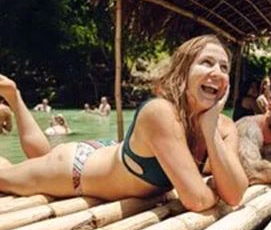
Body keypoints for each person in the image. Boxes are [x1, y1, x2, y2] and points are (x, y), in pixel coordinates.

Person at [0, 35, 248, 212]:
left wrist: (210, 129)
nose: (217, 72)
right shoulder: (160, 112)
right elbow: (198, 200)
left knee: (37, 158)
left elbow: (235, 194)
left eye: (224, 67)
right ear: (182, 72)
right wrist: (216, 188)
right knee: (5, 175)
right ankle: (14, 94)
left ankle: (12, 94)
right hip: (76, 169)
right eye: (206, 62)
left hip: (108, 153)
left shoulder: (224, 126)